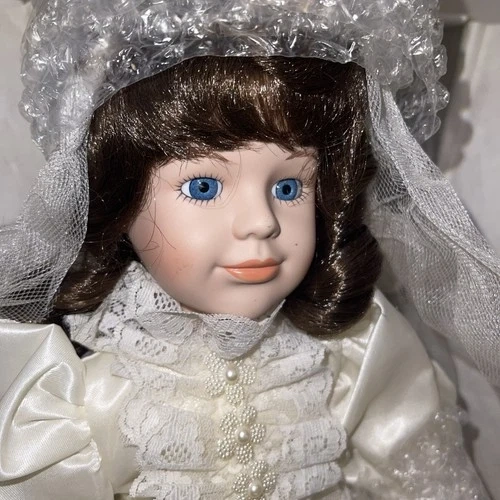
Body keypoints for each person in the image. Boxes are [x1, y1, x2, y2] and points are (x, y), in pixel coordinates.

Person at [0, 1, 498, 498]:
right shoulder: (74, 392)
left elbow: (419, 478)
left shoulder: (355, 353)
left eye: (288, 187)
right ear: (119, 198)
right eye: (203, 188)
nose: (262, 221)